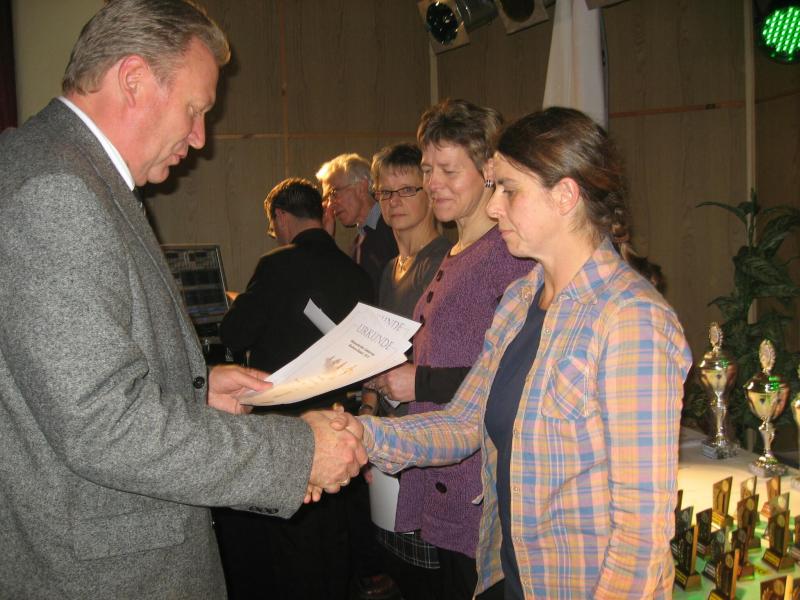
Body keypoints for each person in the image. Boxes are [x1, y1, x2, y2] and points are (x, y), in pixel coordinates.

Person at [0, 2, 364, 598]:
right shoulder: (57, 190)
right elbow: (104, 427)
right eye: (194, 110)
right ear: (133, 79)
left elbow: (65, 390)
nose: (200, 138)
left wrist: (193, 386)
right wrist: (298, 453)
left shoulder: (61, 170)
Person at [351, 107, 693, 599]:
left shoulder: (631, 319)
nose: (494, 208)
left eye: (509, 190)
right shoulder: (520, 299)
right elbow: (463, 423)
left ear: (565, 196)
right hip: (507, 574)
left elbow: (640, 534)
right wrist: (357, 435)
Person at [367, 99, 532, 600]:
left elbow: (516, 378)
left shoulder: (508, 256)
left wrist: (418, 381)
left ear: (488, 171)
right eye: (427, 169)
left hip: (477, 485)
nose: (433, 182)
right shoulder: (458, 250)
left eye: (448, 170)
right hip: (445, 471)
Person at [215, 178, 374, 599]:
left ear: (282, 217)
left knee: (288, 550)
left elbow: (235, 333)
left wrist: (242, 303)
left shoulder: (276, 264)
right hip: (341, 421)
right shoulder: (356, 272)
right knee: (332, 542)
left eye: (273, 225)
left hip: (287, 427)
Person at [359, 142, 452, 600]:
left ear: (430, 193)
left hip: (433, 438)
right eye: (385, 192)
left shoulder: (448, 260)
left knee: (434, 577)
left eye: (406, 190)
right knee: (403, 572)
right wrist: (368, 410)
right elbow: (382, 353)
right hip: (393, 437)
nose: (394, 202)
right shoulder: (390, 268)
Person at [317, 153, 398, 290]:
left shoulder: (394, 228)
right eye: (327, 198)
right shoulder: (358, 243)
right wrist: (327, 239)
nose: (330, 205)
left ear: (361, 187)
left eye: (334, 193)